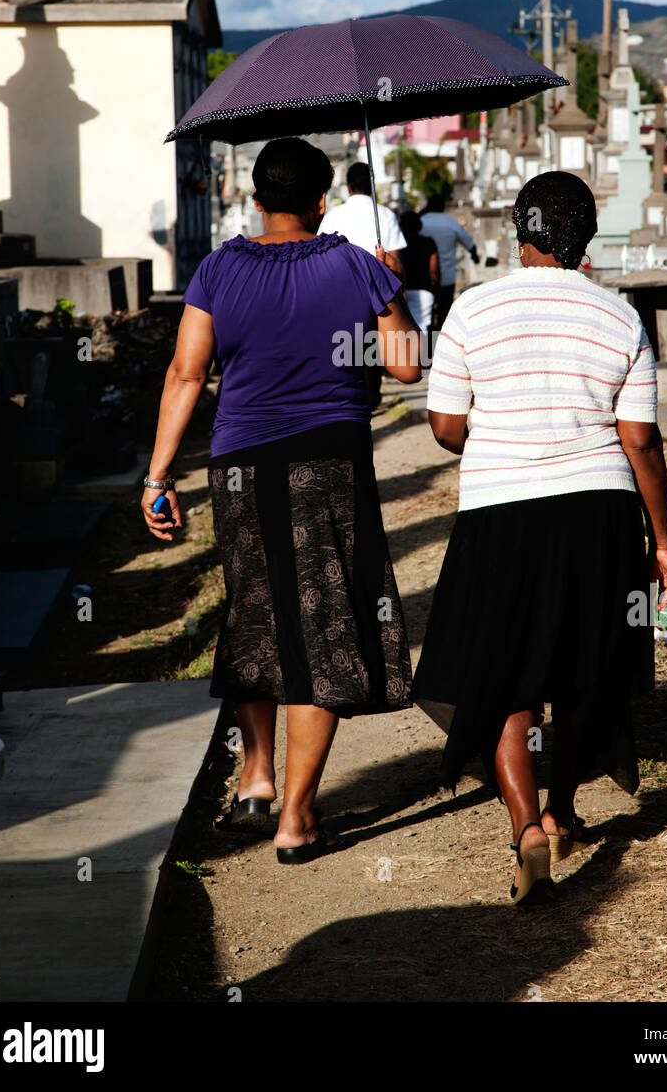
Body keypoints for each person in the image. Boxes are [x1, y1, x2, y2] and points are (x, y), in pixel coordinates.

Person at [141, 137, 421, 864]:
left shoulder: (218, 269)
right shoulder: (356, 264)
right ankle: (297, 821)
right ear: (322, 201)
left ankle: (257, 777)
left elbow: (184, 373)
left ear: (256, 199)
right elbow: (406, 365)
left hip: (240, 468)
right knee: (325, 629)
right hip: (329, 464)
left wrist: (158, 475)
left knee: (255, 613)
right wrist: (391, 292)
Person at [412, 170, 667, 905]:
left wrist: (486, 421)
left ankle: (527, 828)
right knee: (581, 666)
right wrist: (661, 539)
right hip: (600, 512)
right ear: (586, 237)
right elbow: (641, 440)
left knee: (504, 674)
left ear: (520, 232)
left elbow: (444, 429)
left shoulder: (472, 310)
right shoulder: (621, 318)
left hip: (502, 510)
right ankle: (564, 807)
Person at [319, 161, 407, 410]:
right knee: (373, 344)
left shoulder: (333, 216)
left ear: (348, 187)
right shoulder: (385, 215)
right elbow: (396, 259)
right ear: (372, 184)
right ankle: (372, 394)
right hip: (378, 290)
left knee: (347, 344)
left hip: (340, 288)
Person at [418, 193, 479, 323]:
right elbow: (469, 244)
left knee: (425, 316)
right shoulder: (452, 223)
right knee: (444, 314)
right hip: (447, 276)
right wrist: (475, 257)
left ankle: (428, 339)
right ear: (443, 206)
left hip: (426, 277)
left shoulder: (422, 222)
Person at [399, 210, 440, 334]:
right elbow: (434, 270)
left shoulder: (398, 245)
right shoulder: (429, 242)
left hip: (403, 289)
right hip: (424, 288)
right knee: (423, 327)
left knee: (404, 328)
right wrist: (437, 286)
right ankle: (423, 352)